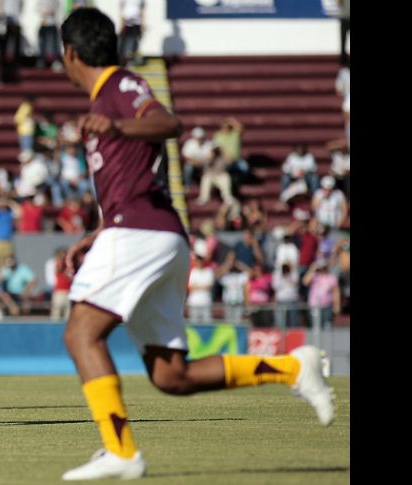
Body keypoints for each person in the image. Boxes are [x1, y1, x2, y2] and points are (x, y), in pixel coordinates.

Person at [58, 8, 334, 481]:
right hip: (146, 231)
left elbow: (168, 123)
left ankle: (120, 451)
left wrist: (118, 127)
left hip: (143, 233)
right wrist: (99, 233)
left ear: (69, 53)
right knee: (171, 376)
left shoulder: (120, 86)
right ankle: (292, 369)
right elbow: (135, 180)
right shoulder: (105, 100)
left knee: (81, 333)